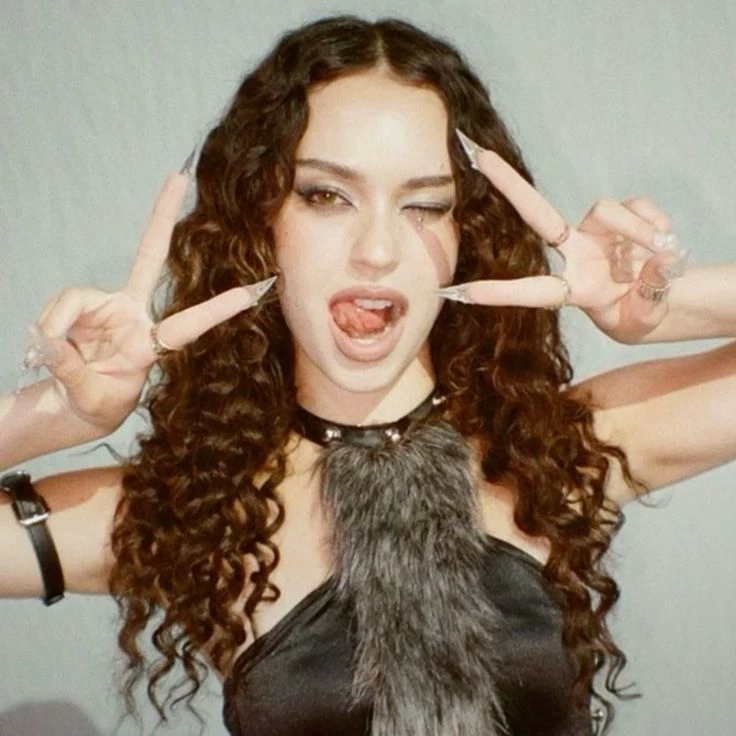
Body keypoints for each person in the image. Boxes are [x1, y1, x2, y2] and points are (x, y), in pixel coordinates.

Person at [1, 15, 735, 736]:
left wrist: (656, 306)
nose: (377, 250)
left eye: (426, 205)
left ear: (468, 233)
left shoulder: (559, 456)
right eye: (326, 195)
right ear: (262, 220)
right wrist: (64, 413)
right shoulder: (192, 515)